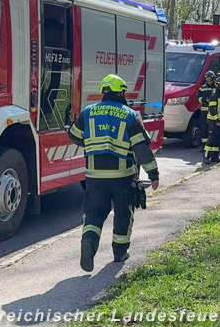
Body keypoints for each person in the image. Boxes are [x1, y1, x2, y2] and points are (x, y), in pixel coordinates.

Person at [68, 74, 159, 272]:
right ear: (121, 92)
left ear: (103, 92)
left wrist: (91, 142)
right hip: (122, 176)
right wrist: (153, 174)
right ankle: (119, 252)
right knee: (123, 213)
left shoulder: (88, 112)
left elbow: (73, 136)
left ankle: (89, 244)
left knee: (94, 213)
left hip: (94, 176)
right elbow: (141, 149)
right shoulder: (130, 114)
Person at [204, 74, 220, 164]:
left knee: (218, 139)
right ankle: (206, 157)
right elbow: (212, 108)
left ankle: (215, 157)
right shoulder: (215, 94)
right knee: (211, 139)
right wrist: (217, 120)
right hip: (213, 121)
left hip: (219, 120)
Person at [196, 70, 217, 153]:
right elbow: (197, 97)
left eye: (211, 80)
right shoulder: (202, 87)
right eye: (208, 80)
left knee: (212, 128)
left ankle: (212, 145)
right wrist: (204, 100)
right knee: (204, 128)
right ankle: (204, 146)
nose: (210, 81)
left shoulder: (216, 87)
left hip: (213, 111)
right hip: (204, 111)